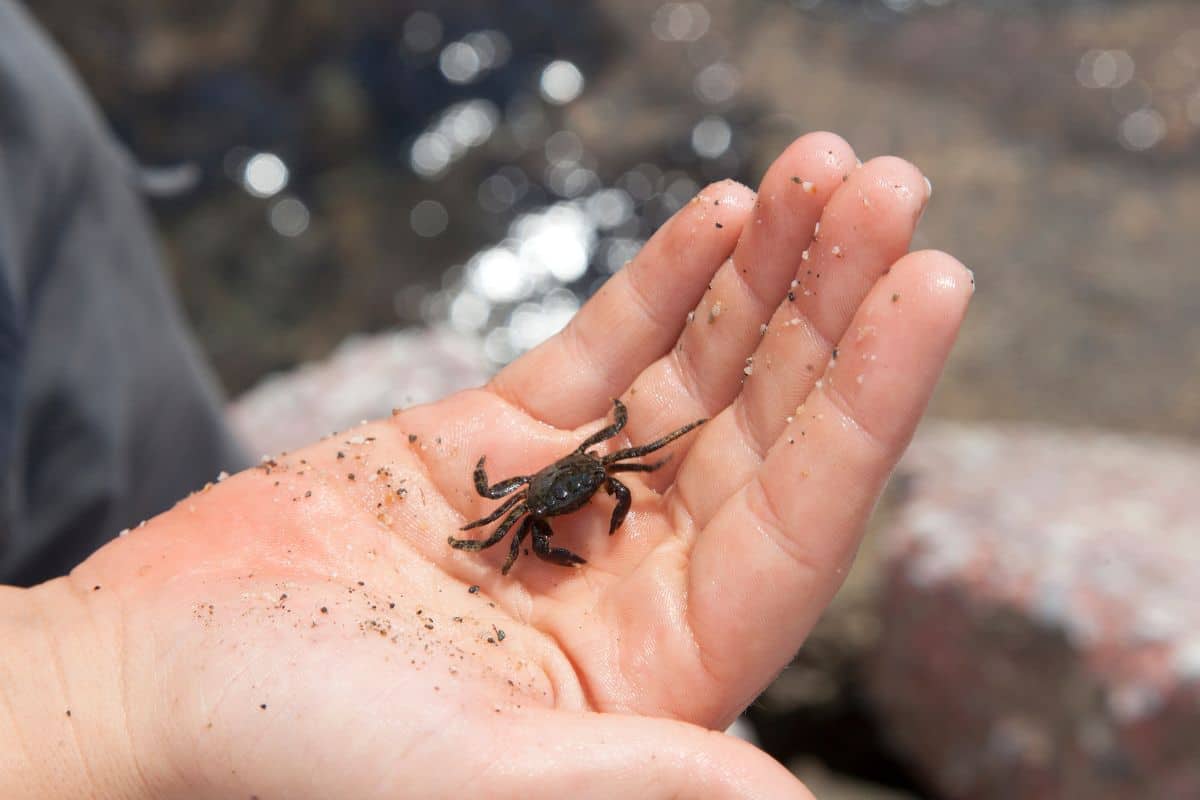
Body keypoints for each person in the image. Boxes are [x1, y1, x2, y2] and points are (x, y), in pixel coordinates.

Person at [0, 3, 973, 798]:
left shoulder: (599, 467)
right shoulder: (529, 507)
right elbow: (504, 509)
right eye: (565, 507)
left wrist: (82, 659)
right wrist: (100, 691)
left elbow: (617, 456)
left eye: (584, 494)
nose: (569, 512)